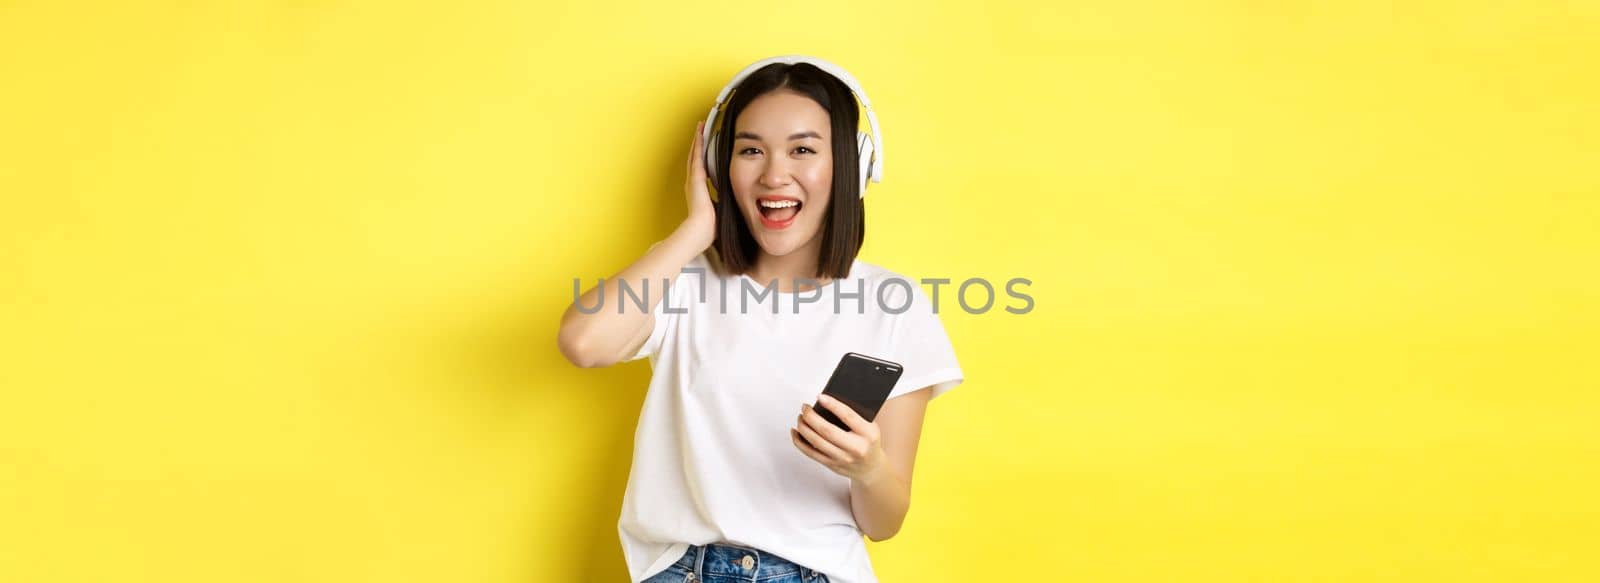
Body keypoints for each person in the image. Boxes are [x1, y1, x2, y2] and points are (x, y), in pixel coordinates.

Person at [557, 55, 964, 583]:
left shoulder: (896, 304)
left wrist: (867, 468)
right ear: (715, 167)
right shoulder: (684, 280)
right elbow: (583, 342)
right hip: (684, 572)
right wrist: (694, 232)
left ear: (854, 165)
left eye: (802, 150)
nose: (774, 174)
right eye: (750, 150)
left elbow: (884, 522)